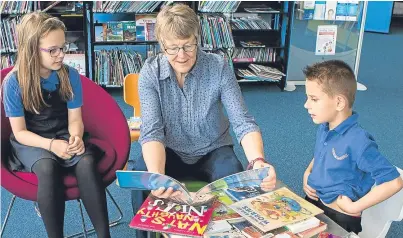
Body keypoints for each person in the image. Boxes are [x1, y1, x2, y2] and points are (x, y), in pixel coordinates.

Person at [132, 3, 276, 235]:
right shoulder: (150, 73)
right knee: (144, 175)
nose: (181, 55)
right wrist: (157, 176)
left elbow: (242, 121)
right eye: (173, 48)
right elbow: (152, 132)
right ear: (161, 45)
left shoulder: (218, 66)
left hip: (213, 149)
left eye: (188, 45)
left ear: (197, 38)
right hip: (170, 151)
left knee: (234, 173)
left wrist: (257, 161)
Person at [2, 13, 111, 238]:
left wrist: (76, 137)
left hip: (62, 132)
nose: (61, 54)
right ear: (32, 49)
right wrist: (51, 146)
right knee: (47, 168)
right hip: (31, 140)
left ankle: (104, 235)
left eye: (63, 47)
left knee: (87, 162)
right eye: (53, 50)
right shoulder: (13, 83)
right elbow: (20, 132)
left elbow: (75, 120)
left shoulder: (69, 75)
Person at [302, 60, 403, 233]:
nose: (306, 104)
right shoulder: (325, 127)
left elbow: (394, 181)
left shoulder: (359, 141)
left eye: (314, 99)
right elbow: (322, 153)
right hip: (313, 203)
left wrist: (355, 207)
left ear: (339, 103)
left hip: (340, 218)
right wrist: (307, 173)